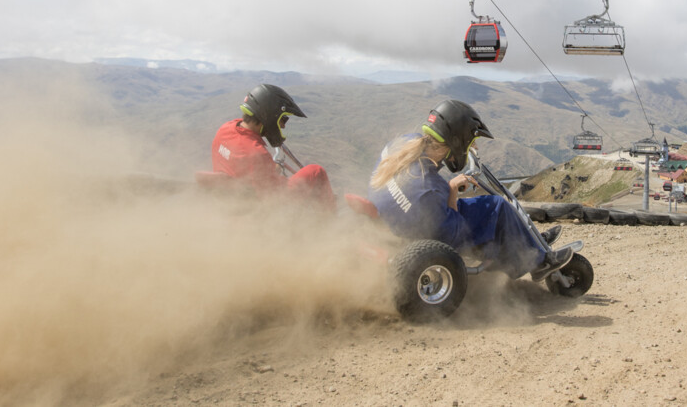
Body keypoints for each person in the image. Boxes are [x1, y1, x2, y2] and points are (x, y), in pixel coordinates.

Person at [368, 99, 571, 281]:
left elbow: (428, 198)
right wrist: (452, 189)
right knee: (497, 207)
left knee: (481, 208)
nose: (475, 148)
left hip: (398, 217)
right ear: (457, 141)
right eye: (472, 143)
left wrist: (446, 191)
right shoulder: (429, 189)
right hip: (424, 234)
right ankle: (537, 263)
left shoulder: (402, 144)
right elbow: (454, 234)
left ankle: (527, 241)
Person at [211, 83, 335, 211]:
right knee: (316, 171)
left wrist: (268, 168)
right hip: (257, 208)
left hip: (233, 196)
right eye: (283, 119)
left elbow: (243, 163)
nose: (283, 126)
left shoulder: (225, 129)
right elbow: (274, 197)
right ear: (270, 115)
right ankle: (329, 222)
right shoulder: (257, 153)